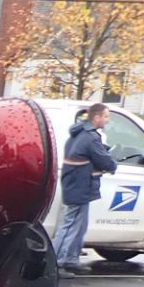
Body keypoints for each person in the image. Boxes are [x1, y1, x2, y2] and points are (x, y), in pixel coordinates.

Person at [57, 103, 119, 274]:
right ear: (96, 117)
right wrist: (113, 165)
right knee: (70, 225)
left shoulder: (78, 134)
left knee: (80, 224)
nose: (107, 120)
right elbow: (102, 159)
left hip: (77, 184)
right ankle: (57, 263)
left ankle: (71, 258)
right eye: (106, 116)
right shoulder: (91, 137)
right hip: (79, 185)